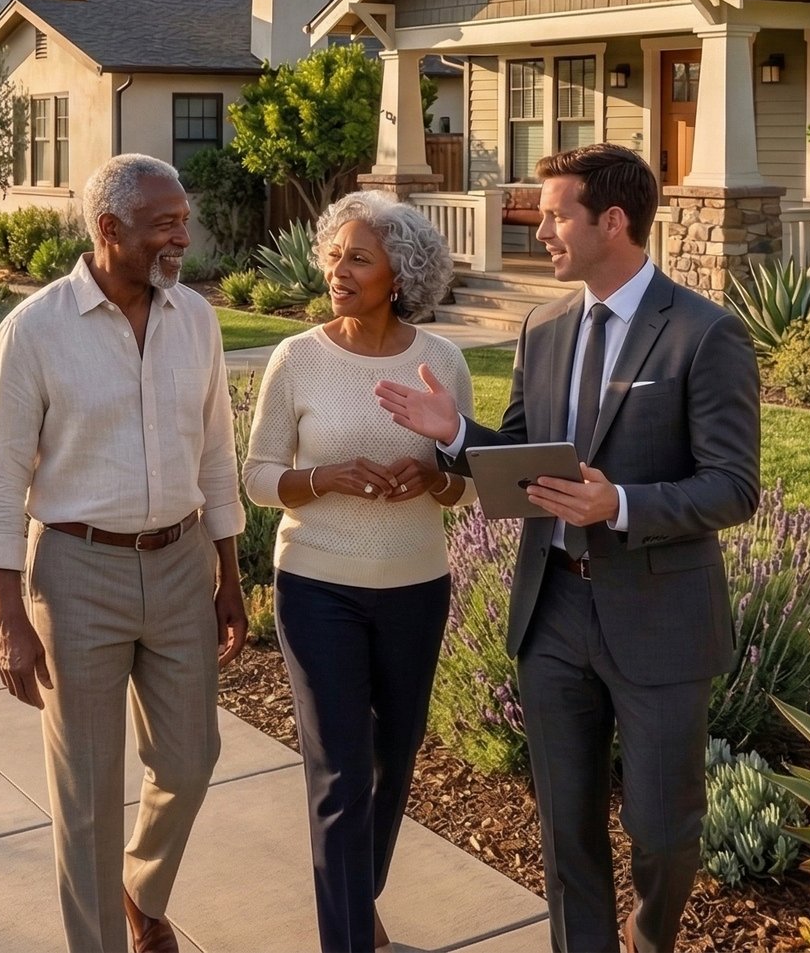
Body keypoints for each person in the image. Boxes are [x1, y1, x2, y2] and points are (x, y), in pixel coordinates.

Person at [376, 145, 760, 953]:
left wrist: (618, 501)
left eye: (554, 214)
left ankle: (650, 935)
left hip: (660, 621)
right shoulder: (543, 325)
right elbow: (520, 457)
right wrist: (454, 435)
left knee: (663, 830)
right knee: (565, 832)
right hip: (552, 609)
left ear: (611, 221)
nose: (539, 227)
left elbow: (733, 487)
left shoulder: (704, 332)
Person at [0, 153, 247, 953]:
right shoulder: (35, 330)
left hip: (181, 562)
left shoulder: (194, 317)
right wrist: (8, 616)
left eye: (184, 220)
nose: (182, 237)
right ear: (108, 229)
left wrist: (229, 575)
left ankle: (142, 888)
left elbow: (217, 457)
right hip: (76, 572)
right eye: (166, 224)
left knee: (191, 759)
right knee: (88, 795)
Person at [243, 192, 473, 953]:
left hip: (414, 586)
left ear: (399, 275)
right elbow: (257, 475)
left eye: (358, 257)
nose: (338, 270)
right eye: (335, 254)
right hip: (316, 584)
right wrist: (328, 477)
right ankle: (347, 936)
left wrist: (430, 481)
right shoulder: (298, 357)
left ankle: (354, 893)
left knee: (393, 757)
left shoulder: (441, 363)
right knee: (339, 773)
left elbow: (464, 481)